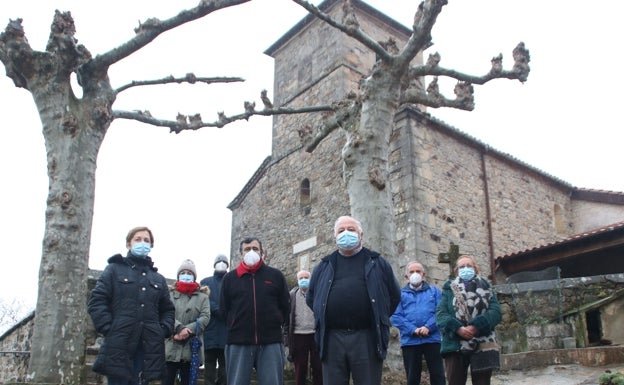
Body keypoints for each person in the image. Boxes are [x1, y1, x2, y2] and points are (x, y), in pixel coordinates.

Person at [306, 215, 401, 385]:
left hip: (367, 337)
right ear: (335, 236)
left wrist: (379, 316)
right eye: (341, 230)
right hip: (331, 339)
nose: (346, 233)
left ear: (361, 235)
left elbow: (394, 296)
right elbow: (312, 297)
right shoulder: (323, 266)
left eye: (351, 229)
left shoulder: (378, 262)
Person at [88, 226, 175, 385]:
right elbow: (97, 300)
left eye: (146, 240)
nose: (143, 243)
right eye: (138, 239)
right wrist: (109, 327)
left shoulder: (158, 279)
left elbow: (168, 310)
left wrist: (162, 330)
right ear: (129, 244)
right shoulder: (113, 270)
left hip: (148, 348)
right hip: (118, 345)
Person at [219, 237, 290, 385]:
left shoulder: (275, 276)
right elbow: (224, 309)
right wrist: (235, 324)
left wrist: (276, 322)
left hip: (271, 342)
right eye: (247, 249)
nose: (251, 252)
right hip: (238, 342)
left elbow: (285, 306)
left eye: (255, 249)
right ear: (241, 254)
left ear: (262, 252)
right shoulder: (229, 279)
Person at [435, 254, 502, 385]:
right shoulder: (449, 289)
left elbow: (496, 312)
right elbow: (440, 314)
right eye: (462, 267)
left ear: (475, 269)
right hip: (455, 343)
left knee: (482, 382)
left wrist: (476, 327)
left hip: (483, 342)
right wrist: (458, 328)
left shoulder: (487, 287)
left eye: (469, 266)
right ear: (457, 271)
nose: (465, 268)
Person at [391, 261, 446, 385]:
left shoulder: (435, 292)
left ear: (423, 274)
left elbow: (441, 312)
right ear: (406, 276)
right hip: (410, 341)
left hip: (432, 339)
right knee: (412, 377)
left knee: (438, 375)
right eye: (411, 272)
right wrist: (413, 330)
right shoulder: (399, 294)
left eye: (418, 271)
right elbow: (395, 316)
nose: (415, 274)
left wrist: (428, 327)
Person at [163, 259, 211, 385]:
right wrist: (178, 328)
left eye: (189, 273)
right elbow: (164, 314)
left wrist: (188, 330)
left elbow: (205, 317)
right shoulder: (169, 295)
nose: (186, 275)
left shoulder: (203, 297)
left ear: (194, 276)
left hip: (191, 350)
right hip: (170, 346)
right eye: (183, 272)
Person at [285, 270, 322, 385]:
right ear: (297, 280)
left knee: (318, 367)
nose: (304, 280)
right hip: (298, 335)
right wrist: (286, 338)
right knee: (300, 368)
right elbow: (287, 317)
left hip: (316, 334)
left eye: (306, 277)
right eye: (301, 278)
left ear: (311, 279)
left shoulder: (317, 293)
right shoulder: (292, 295)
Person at [200, 254, 230, 385]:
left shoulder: (231, 281)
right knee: (209, 371)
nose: (222, 263)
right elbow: (204, 299)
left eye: (224, 262)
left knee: (225, 371)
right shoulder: (206, 282)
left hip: (226, 332)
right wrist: (218, 310)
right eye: (219, 261)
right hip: (210, 332)